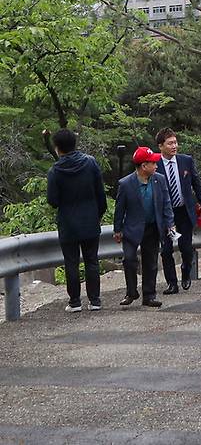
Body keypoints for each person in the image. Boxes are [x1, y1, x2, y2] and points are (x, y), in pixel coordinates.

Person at [46, 129, 107, 313]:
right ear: (74, 144)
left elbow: (53, 201)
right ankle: (95, 301)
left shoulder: (55, 171)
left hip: (68, 223)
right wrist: (97, 214)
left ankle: (74, 302)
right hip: (90, 220)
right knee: (92, 261)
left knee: (71, 262)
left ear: (57, 148)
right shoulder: (90, 163)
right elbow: (101, 195)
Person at [113, 146, 175, 309]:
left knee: (151, 262)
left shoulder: (159, 179)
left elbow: (166, 204)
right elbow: (120, 208)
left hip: (153, 227)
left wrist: (170, 224)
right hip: (132, 228)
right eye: (153, 163)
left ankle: (149, 295)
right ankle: (131, 292)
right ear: (143, 166)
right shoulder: (126, 184)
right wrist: (117, 229)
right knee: (129, 259)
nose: (156, 165)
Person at [155, 128, 201, 294]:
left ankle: (186, 271)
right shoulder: (155, 164)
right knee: (166, 249)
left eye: (175, 142)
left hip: (184, 211)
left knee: (186, 247)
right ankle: (172, 283)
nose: (174, 146)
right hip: (166, 214)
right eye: (170, 143)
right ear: (160, 146)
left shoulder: (186, 161)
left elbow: (196, 184)